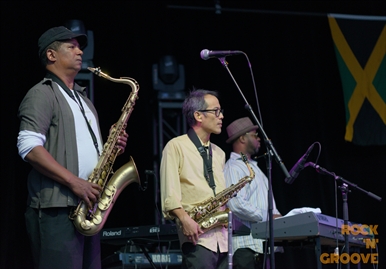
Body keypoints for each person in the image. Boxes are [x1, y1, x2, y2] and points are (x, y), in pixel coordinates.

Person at [17, 26, 128, 269]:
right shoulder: (41, 94)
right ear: (51, 55)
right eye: (71, 46)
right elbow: (28, 147)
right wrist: (74, 182)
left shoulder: (84, 100)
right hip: (57, 210)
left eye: (79, 47)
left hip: (87, 208)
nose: (79, 51)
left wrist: (110, 148)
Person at [160, 89, 228, 269]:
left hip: (224, 240)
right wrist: (184, 219)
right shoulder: (176, 146)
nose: (221, 116)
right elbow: (170, 194)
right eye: (216, 111)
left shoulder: (219, 153)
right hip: (198, 238)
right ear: (198, 115)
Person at [223, 117, 282, 269]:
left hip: (263, 245)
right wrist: (268, 216)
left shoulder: (253, 167)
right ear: (242, 138)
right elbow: (236, 204)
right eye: (255, 135)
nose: (259, 138)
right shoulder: (234, 168)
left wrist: (280, 221)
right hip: (246, 248)